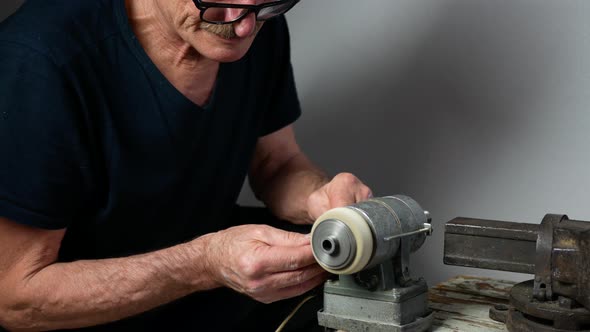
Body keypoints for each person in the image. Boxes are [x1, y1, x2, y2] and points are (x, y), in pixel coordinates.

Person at [0, 0, 373, 331]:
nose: (242, 26)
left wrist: (319, 197)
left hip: (200, 298)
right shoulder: (38, 60)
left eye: (265, 6)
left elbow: (277, 164)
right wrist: (203, 264)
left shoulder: (253, 17)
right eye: (213, 1)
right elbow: (14, 298)